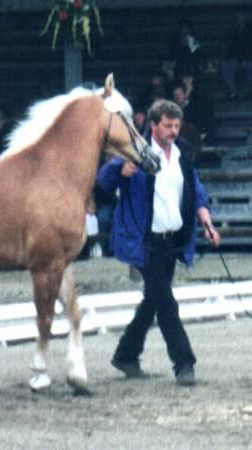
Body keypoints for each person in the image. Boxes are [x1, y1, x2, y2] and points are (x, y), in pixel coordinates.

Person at [97, 99, 220, 386]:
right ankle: (183, 362)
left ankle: (126, 354)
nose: (173, 131)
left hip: (172, 240)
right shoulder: (135, 153)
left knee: (153, 299)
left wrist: (208, 223)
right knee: (166, 302)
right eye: (167, 125)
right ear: (152, 125)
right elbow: (103, 180)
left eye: (176, 125)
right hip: (146, 241)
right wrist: (120, 172)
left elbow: (197, 192)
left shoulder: (182, 155)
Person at [221, 11, 252, 100]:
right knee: (225, 66)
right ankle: (233, 92)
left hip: (249, 60)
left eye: (239, 16)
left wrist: (246, 60)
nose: (238, 19)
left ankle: (247, 92)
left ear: (244, 17)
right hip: (237, 60)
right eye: (236, 17)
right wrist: (226, 58)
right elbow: (231, 48)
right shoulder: (234, 32)